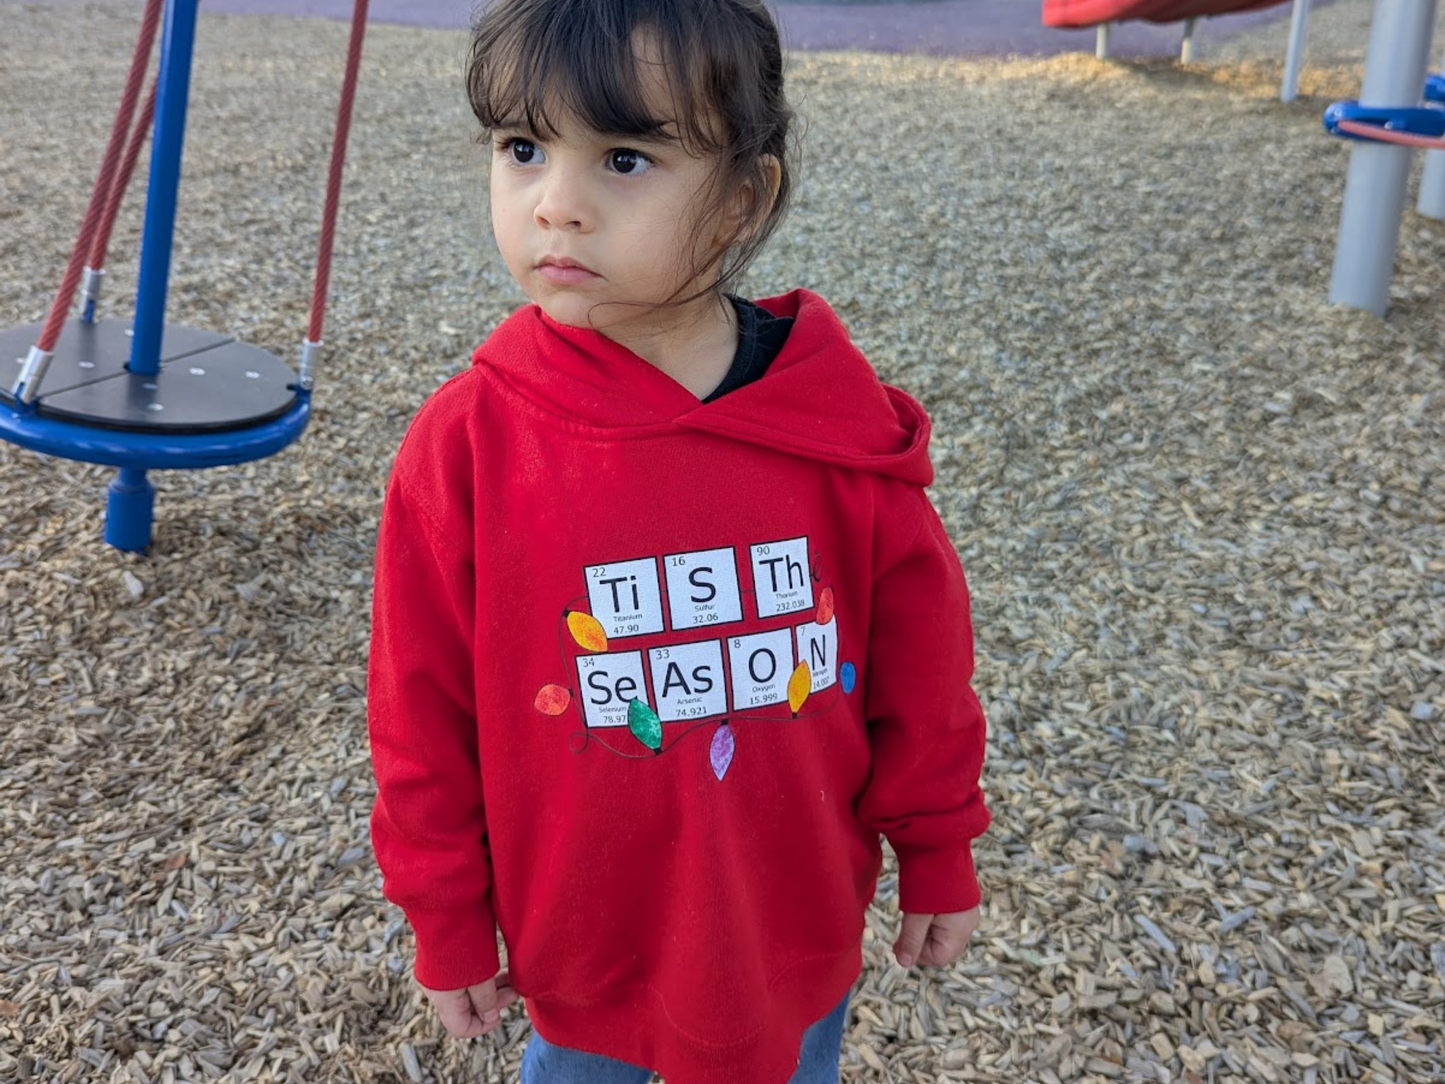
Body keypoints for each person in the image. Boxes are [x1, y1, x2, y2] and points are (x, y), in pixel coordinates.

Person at [365, 0, 991, 1081]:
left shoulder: (836, 429)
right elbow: (419, 707)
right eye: (522, 149)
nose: (555, 205)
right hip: (584, 952)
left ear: (742, 195)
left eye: (623, 157)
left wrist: (938, 845)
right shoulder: (467, 442)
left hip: (786, 935)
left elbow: (921, 668)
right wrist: (445, 914)